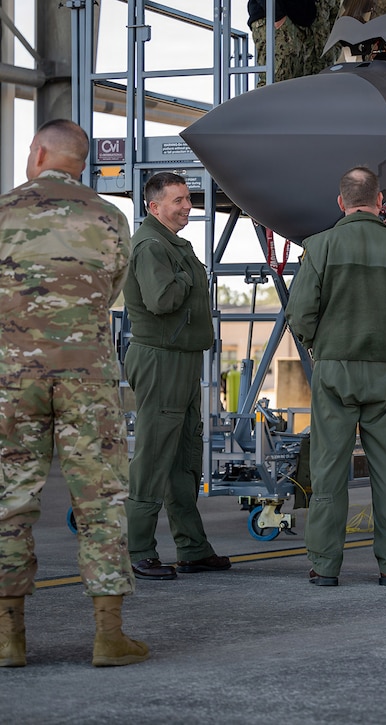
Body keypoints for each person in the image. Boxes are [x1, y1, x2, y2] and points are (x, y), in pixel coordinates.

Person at [0, 119, 148, 667]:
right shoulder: (107, 216)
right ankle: (109, 636)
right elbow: (112, 290)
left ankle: (8, 637)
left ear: (37, 152)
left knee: (9, 498)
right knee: (101, 500)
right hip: (87, 375)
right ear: (81, 161)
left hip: (11, 378)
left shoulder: (3, 212)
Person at [286, 166, 386, 587]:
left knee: (329, 467)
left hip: (334, 369)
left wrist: (321, 347)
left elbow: (299, 313)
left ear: (341, 202)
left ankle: (325, 565)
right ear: (378, 203)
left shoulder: (319, 246)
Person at [123, 172, 231, 580]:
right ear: (154, 207)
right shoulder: (152, 245)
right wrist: (187, 277)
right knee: (153, 457)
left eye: (188, 199)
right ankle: (137, 549)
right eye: (178, 201)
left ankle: (193, 548)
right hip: (161, 359)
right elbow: (162, 298)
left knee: (183, 457)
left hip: (181, 359)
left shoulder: (171, 242)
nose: (187, 206)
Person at [248, 0, 341, 86]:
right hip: (279, 18)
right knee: (277, 83)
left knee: (308, 87)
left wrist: (336, 44)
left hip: (310, 25)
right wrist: (277, 14)